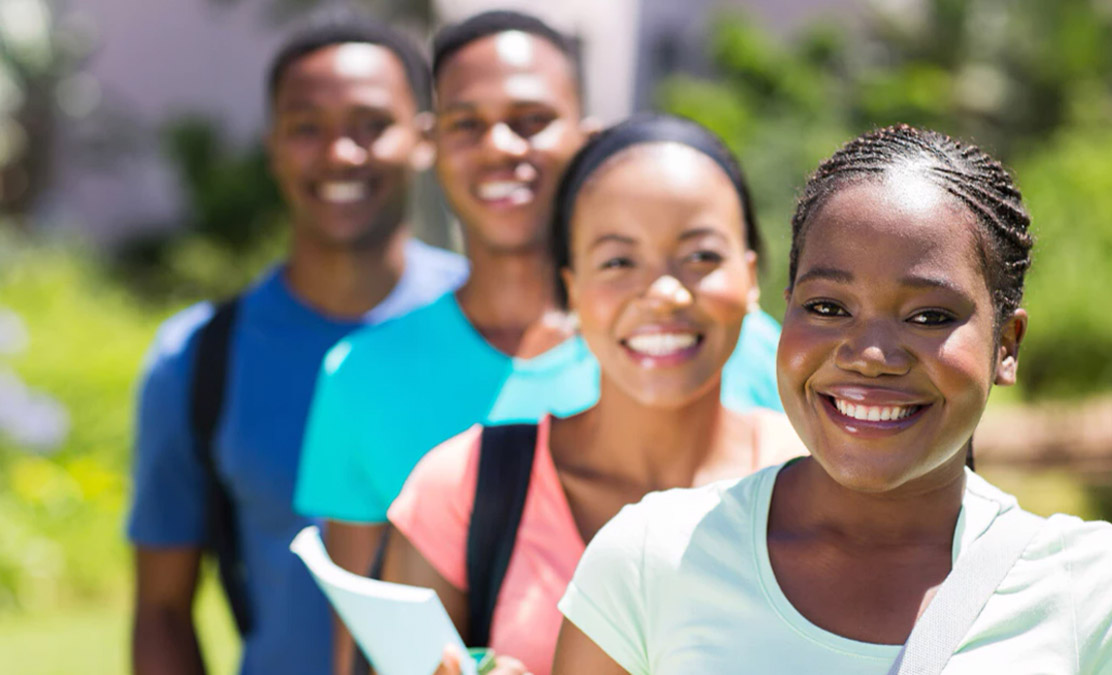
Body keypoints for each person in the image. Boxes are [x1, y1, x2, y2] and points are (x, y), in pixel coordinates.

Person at [554, 125, 1112, 674]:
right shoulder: (649, 559)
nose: (870, 353)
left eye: (929, 315)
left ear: (1007, 343)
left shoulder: (1104, 596)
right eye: (828, 307)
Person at [292, 14, 783, 669]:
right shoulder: (417, 435)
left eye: (530, 118)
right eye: (467, 122)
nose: (663, 296)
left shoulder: (786, 413)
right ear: (575, 287)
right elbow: (367, 649)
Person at [386, 114, 805, 675]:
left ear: (750, 276)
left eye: (701, 255)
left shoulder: (820, 481)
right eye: (617, 261)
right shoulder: (462, 489)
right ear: (571, 289)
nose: (663, 293)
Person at [126, 14, 467, 675]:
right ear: (273, 145)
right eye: (308, 127)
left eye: (372, 124)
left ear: (423, 140)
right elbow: (161, 607)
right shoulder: (197, 359)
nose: (341, 153)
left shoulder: (499, 331)